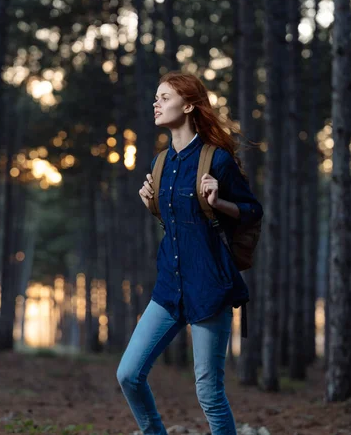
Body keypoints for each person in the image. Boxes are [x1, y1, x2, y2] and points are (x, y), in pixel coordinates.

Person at [116, 71, 263, 435]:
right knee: (129, 374)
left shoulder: (218, 160)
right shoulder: (160, 162)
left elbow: (253, 212)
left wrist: (221, 201)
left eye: (164, 97)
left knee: (209, 392)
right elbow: (175, 220)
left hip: (209, 287)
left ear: (189, 105)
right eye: (156, 97)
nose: (157, 103)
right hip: (168, 287)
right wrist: (150, 204)